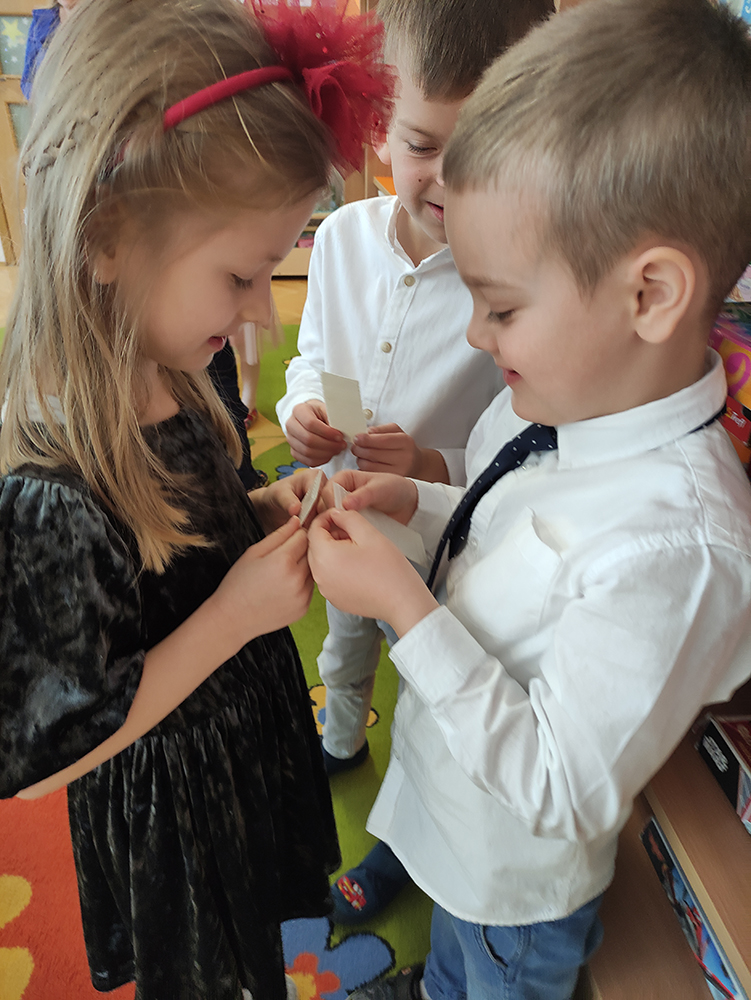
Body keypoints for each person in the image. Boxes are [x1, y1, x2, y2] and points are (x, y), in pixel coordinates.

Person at [307, 0, 751, 995]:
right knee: (448, 964)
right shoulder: (549, 403)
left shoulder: (680, 548)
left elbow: (560, 785)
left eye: (500, 306)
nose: (475, 335)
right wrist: (413, 502)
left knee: (485, 969)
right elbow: (501, 528)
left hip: (515, 893)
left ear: (649, 295)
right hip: (454, 823)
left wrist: (403, 606)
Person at [0, 1, 391, 998]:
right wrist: (232, 618)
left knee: (266, 928)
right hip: (175, 806)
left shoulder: (169, 368)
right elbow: (45, 759)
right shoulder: (50, 487)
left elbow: (176, 546)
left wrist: (261, 511)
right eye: (241, 276)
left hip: (239, 748)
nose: (265, 313)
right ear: (106, 238)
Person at [276, 0, 552, 923]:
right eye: (423, 145)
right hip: (347, 506)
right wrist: (302, 411)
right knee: (343, 642)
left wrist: (432, 461)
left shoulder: (514, 281)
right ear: (378, 133)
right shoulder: (341, 241)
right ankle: (341, 738)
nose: (449, 179)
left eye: (482, 151)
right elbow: (316, 354)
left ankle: (405, 839)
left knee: (436, 692)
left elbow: (516, 451)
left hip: (446, 542)